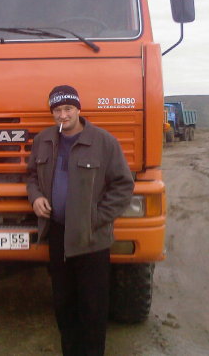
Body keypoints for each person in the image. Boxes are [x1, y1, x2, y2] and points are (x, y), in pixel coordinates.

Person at [27, 85, 134, 355]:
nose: (63, 115)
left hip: (91, 239)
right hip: (58, 235)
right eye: (57, 110)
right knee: (64, 305)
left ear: (78, 109)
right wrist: (36, 197)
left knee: (93, 308)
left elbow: (123, 186)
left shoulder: (103, 142)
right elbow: (31, 176)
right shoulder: (43, 140)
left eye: (68, 109)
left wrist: (96, 218)